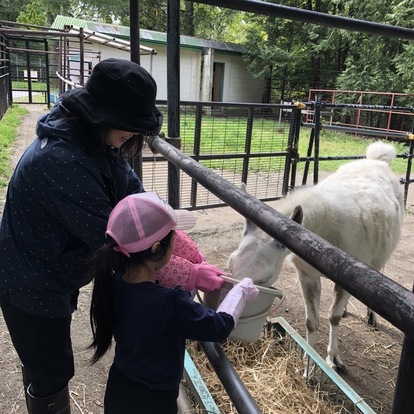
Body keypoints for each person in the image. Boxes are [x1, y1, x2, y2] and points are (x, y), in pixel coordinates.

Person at [0, 58, 225, 414]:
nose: (135, 135)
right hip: (32, 281)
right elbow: (122, 242)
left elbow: (141, 208)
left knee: (47, 357)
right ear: (104, 115)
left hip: (57, 268)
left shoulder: (95, 142)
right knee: (52, 369)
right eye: (131, 127)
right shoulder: (62, 162)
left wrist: (193, 255)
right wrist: (190, 275)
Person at [88, 192, 259, 414]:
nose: (177, 243)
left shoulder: (114, 283)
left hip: (120, 390)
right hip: (154, 402)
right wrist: (241, 291)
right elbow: (220, 326)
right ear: (157, 249)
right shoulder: (169, 303)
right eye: (174, 239)